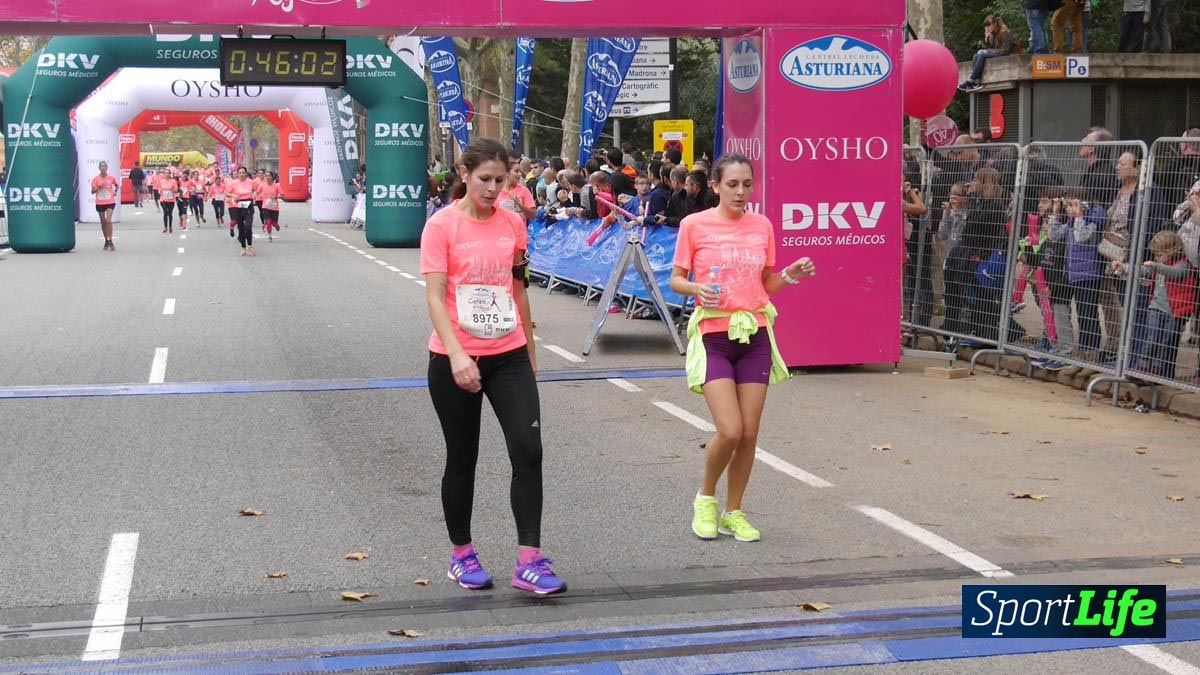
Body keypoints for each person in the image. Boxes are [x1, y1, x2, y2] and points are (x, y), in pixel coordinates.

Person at [420, 137, 566, 596]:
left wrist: (531, 346)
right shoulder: (441, 226)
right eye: (484, 179)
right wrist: (459, 354)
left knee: (529, 450)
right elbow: (433, 297)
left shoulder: (512, 224)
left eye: (501, 180)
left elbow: (518, 287)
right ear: (464, 174)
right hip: (454, 357)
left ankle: (529, 560)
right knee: (463, 458)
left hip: (509, 352)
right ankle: (461, 553)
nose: (492, 188)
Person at [670, 153, 815, 543]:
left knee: (750, 433)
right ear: (715, 185)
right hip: (714, 336)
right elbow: (677, 280)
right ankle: (705, 498)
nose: (740, 192)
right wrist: (696, 288)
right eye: (732, 184)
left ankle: (734, 511)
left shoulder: (762, 226)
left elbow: (765, 284)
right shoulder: (693, 225)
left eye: (747, 184)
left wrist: (789, 274)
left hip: (755, 334)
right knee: (730, 430)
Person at [959, 16, 1016, 92]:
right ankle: (976, 82)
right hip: (996, 54)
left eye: (989, 25)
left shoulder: (1004, 32)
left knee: (982, 54)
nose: (987, 28)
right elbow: (987, 48)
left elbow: (1005, 50)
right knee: (976, 55)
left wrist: (987, 51)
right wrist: (986, 39)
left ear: (995, 24)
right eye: (986, 26)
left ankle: (971, 80)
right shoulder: (991, 35)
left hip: (1006, 54)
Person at [227, 167, 257, 256]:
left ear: (246, 173)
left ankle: (250, 245)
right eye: (240, 173)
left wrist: (254, 195)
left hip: (248, 204)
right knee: (241, 227)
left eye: (243, 172)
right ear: (238, 174)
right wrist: (233, 195)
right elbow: (227, 193)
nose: (241, 174)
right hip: (239, 205)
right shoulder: (233, 183)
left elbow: (255, 190)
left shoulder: (251, 182)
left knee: (248, 226)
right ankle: (243, 247)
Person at [91, 161, 119, 251]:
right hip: (100, 202)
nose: (103, 168)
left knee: (108, 220)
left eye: (104, 166)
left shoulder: (111, 178)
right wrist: (99, 187)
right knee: (103, 222)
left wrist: (115, 191)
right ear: (99, 168)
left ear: (106, 168)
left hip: (110, 201)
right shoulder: (96, 179)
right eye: (101, 166)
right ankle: (106, 240)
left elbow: (117, 185)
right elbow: (92, 191)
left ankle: (110, 240)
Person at [259, 171, 282, 242]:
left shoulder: (277, 185)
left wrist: (276, 196)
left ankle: (276, 225)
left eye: (269, 176)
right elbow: (256, 191)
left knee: (274, 223)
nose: (267, 177)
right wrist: (254, 195)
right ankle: (269, 236)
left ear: (272, 177)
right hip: (265, 207)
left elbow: (282, 195)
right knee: (268, 222)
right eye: (266, 176)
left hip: (274, 207)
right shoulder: (262, 185)